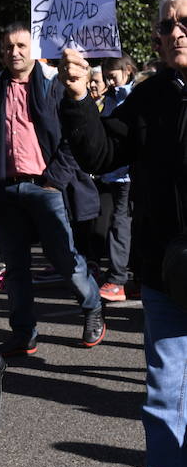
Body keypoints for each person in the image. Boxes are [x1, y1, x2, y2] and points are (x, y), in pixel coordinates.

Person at [58, 0, 187, 467]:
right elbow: (102, 153)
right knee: (163, 398)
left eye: (186, 23)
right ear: (155, 39)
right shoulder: (149, 95)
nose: (176, 32)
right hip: (164, 273)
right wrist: (76, 100)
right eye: (167, 25)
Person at [0, 22, 103, 357]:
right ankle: (23, 333)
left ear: (34, 49)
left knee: (65, 260)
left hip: (46, 188)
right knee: (15, 268)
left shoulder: (53, 82)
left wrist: (54, 180)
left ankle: (91, 305)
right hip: (7, 190)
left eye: (20, 45)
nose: (14, 52)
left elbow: (74, 135)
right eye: (7, 47)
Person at [92, 54, 138, 301]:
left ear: (127, 71)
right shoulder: (109, 97)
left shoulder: (133, 96)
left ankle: (119, 278)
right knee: (113, 224)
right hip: (111, 173)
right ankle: (129, 275)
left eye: (113, 76)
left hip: (127, 175)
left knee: (121, 225)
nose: (110, 82)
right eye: (107, 77)